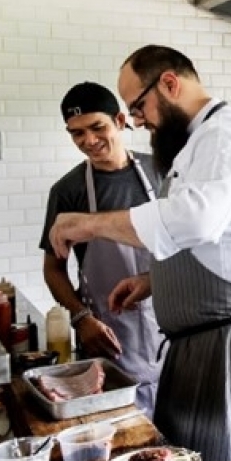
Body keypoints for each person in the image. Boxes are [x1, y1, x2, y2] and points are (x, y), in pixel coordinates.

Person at [47, 45, 231, 461]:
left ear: (169, 83)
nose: (137, 120)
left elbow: (194, 221)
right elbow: (212, 240)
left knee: (230, 456)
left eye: (138, 106)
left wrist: (88, 223)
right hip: (210, 340)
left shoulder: (225, 134)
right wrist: (155, 281)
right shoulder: (199, 141)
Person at [39, 81, 163, 418]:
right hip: (110, 336)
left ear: (120, 121)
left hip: (171, 326)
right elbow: (53, 269)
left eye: (97, 127)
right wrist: (82, 320)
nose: (89, 141)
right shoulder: (68, 190)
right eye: (76, 134)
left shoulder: (162, 170)